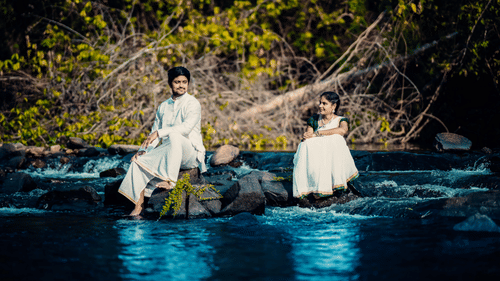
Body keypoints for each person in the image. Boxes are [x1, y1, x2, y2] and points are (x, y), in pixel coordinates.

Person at [118, 66, 207, 216]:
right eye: (177, 81)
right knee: (137, 161)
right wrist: (143, 151)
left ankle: (171, 182)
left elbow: (184, 129)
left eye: (184, 82)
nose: (181, 85)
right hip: (169, 151)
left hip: (190, 154)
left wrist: (159, 132)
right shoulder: (163, 106)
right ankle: (138, 207)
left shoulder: (193, 103)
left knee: (174, 136)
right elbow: (154, 135)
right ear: (170, 83)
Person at [292, 91, 358, 199]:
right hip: (316, 158)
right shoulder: (314, 120)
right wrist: (306, 136)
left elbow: (343, 130)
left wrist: (319, 133)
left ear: (334, 106)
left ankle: (336, 183)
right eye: (320, 103)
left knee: (337, 138)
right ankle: (312, 185)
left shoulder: (341, 120)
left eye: (324, 103)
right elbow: (309, 135)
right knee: (306, 144)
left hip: (331, 156)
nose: (320, 106)